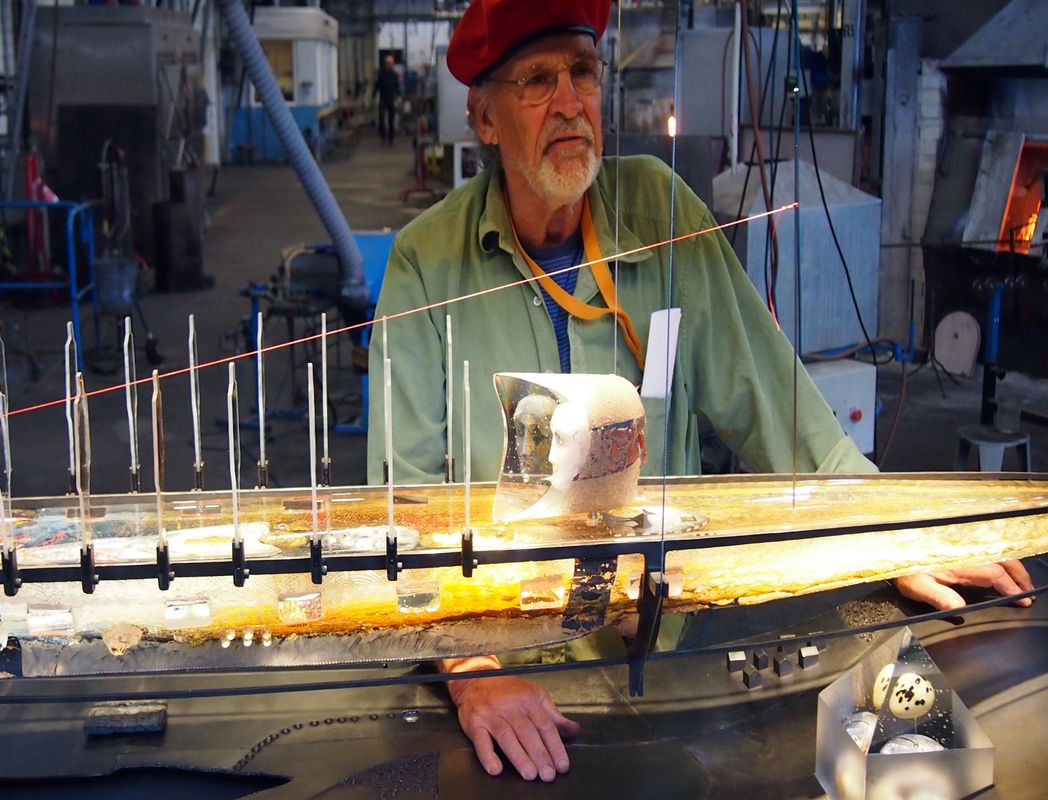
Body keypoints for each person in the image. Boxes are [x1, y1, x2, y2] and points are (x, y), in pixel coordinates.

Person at [366, 0, 1034, 783]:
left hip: (661, 648)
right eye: (537, 81)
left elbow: (776, 406)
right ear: (484, 117)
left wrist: (890, 531)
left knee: (919, 763)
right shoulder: (425, 261)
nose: (571, 102)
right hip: (506, 657)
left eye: (582, 72)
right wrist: (470, 668)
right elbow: (398, 506)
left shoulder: (658, 208)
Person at [373, 54, 400, 146]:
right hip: (383, 98)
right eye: (387, 63)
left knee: (391, 119)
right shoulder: (381, 74)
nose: (389, 64)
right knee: (381, 118)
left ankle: (391, 138)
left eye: (390, 63)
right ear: (385, 64)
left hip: (391, 98)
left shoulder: (394, 75)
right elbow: (377, 85)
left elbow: (397, 87)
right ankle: (383, 138)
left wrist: (399, 97)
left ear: (392, 64)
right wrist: (373, 95)